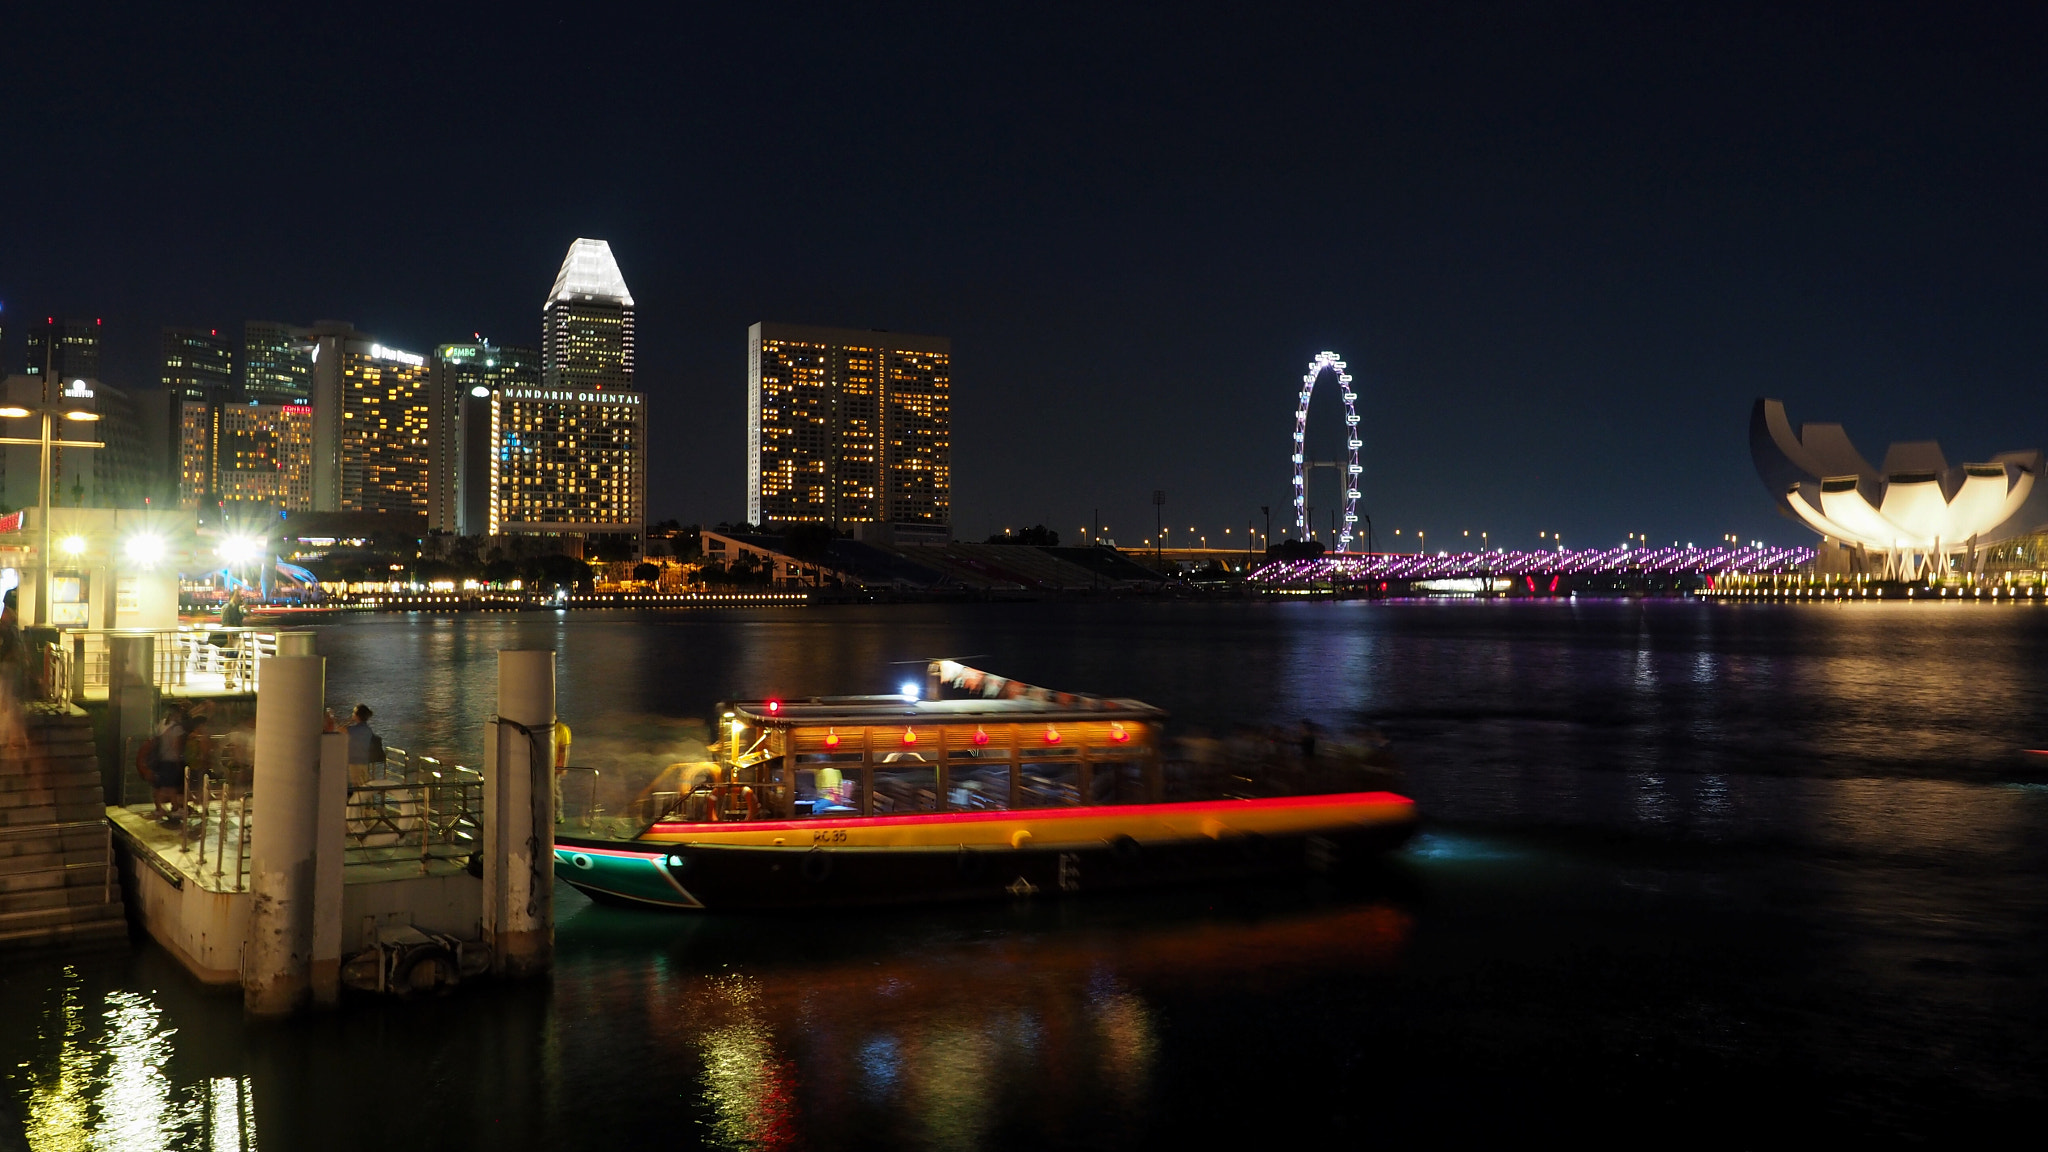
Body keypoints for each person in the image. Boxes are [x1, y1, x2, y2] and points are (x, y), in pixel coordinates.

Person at [149, 703, 189, 823]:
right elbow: (176, 747)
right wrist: (179, 760)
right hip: (171, 760)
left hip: (160, 759)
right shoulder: (177, 728)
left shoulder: (161, 724)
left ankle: (158, 808)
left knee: (160, 785)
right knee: (171, 786)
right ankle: (175, 808)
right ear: (177, 714)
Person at [0, 589, 25, 751]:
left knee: (7, 703)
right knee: (6, 703)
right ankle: (6, 740)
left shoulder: (9, 628)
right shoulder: (8, 629)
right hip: (7, 672)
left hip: (10, 672)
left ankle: (8, 739)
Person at [345, 703, 381, 786]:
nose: (352, 714)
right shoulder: (367, 729)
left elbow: (339, 729)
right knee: (364, 784)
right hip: (364, 761)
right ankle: (369, 798)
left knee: (357, 786)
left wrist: (350, 721)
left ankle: (361, 799)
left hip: (354, 761)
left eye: (354, 712)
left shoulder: (354, 730)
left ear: (358, 715)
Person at [552, 717, 572, 822]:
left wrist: (562, 766)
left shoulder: (562, 729)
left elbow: (564, 750)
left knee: (555, 790)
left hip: (554, 766)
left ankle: (557, 813)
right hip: (540, 764)